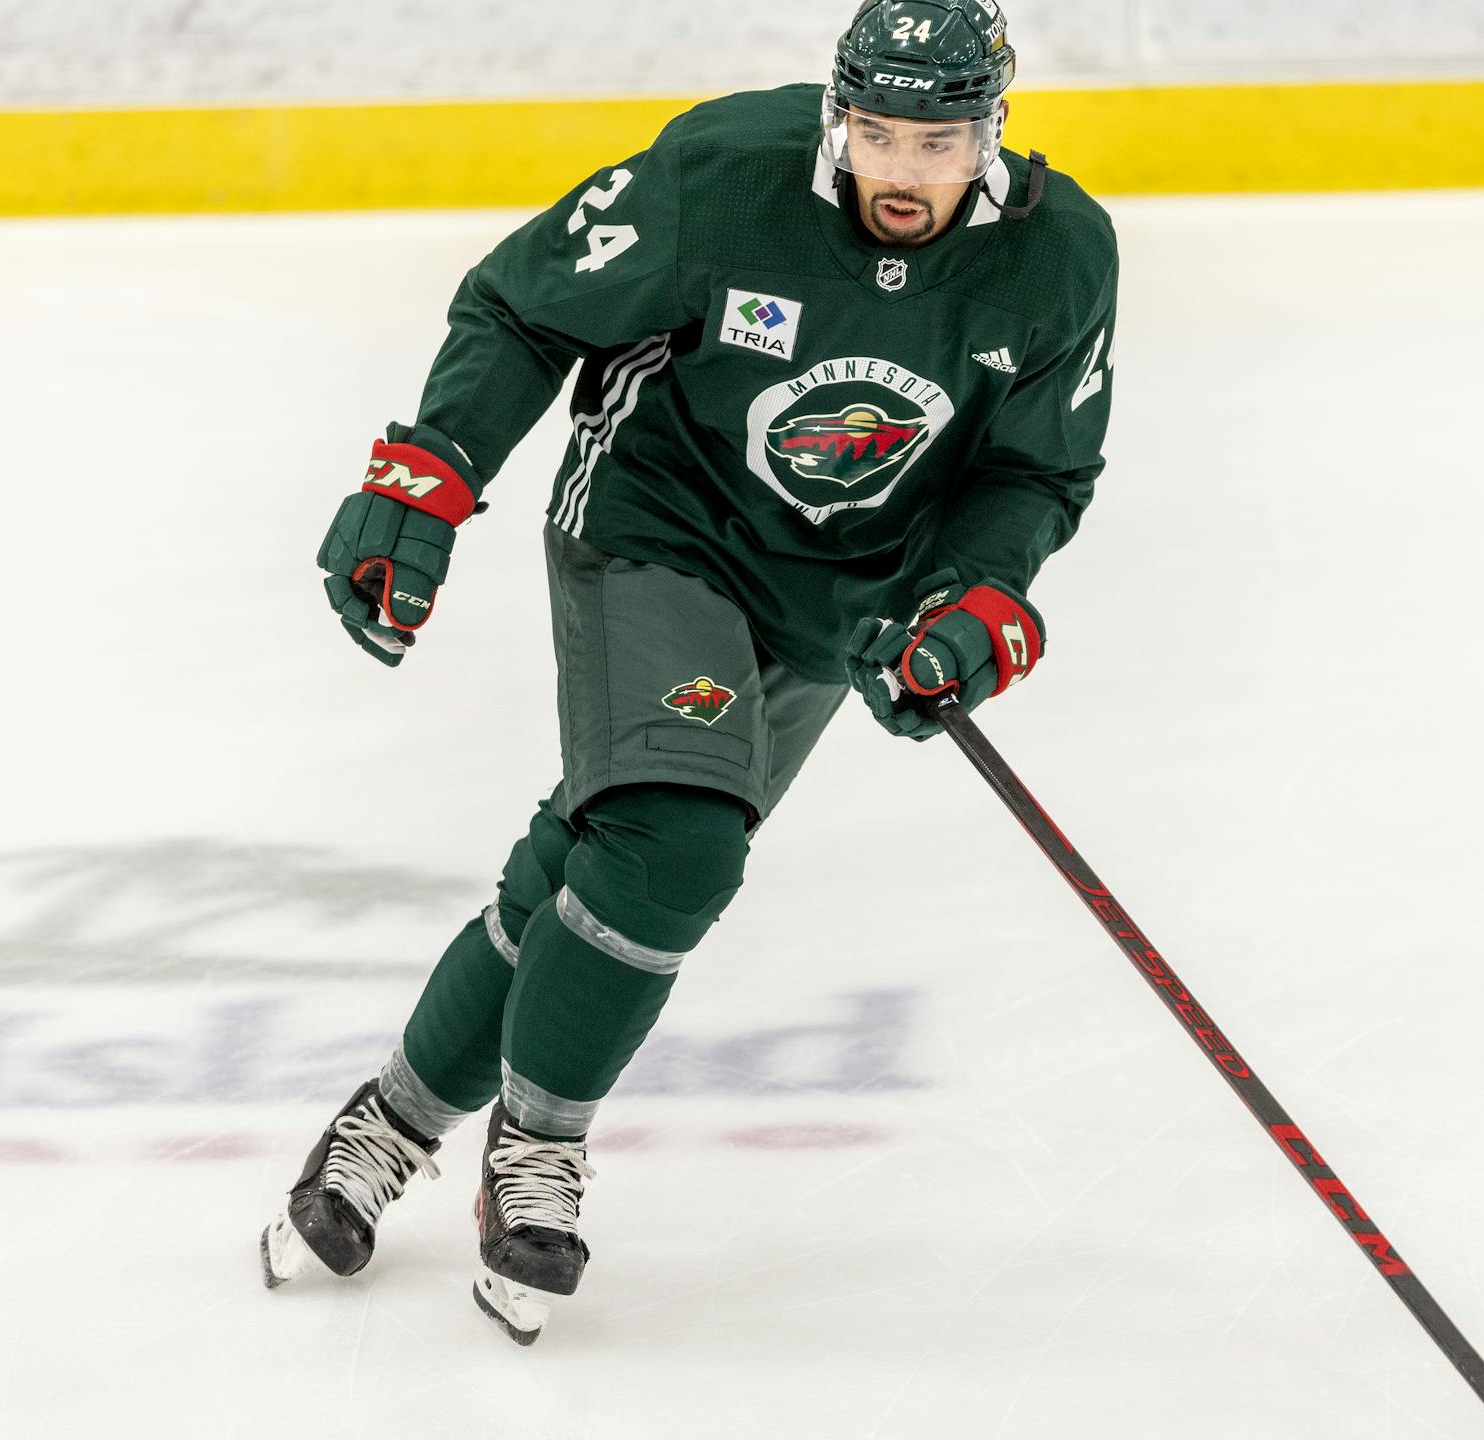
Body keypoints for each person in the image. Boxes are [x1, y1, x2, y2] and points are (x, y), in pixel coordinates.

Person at [260, 0, 1117, 1345]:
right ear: (840, 116)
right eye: (877, 132)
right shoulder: (723, 179)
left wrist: (970, 602)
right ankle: (535, 1156)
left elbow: (1034, 468)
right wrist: (428, 474)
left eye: (938, 140)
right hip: (656, 533)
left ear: (993, 130)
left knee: (598, 857)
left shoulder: (1060, 261)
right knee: (674, 844)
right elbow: (526, 301)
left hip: (835, 607)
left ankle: (392, 1120)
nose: (902, 169)